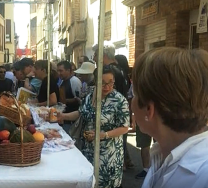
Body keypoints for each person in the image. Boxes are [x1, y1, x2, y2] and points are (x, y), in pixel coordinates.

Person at [132, 47, 208, 188]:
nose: (132, 100)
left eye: (135, 93)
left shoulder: (203, 177)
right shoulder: (161, 155)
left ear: (149, 109)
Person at [58, 66, 129, 188]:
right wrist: (62, 116)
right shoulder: (91, 96)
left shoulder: (119, 100)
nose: (107, 86)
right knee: (89, 181)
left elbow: (124, 127)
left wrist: (103, 135)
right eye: (103, 83)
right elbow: (81, 113)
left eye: (111, 82)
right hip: (88, 150)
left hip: (108, 154)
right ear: (96, 81)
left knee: (104, 184)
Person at [115, 54, 135, 171]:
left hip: (123, 108)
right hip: (126, 108)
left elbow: (129, 96)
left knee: (121, 137)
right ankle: (127, 160)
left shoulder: (120, 75)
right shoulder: (125, 75)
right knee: (123, 138)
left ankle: (123, 162)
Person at [57, 61, 82, 133]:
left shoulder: (75, 81)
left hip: (71, 121)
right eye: (58, 71)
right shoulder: (62, 81)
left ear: (68, 70)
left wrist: (65, 101)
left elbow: (78, 99)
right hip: (64, 119)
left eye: (61, 71)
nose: (59, 73)